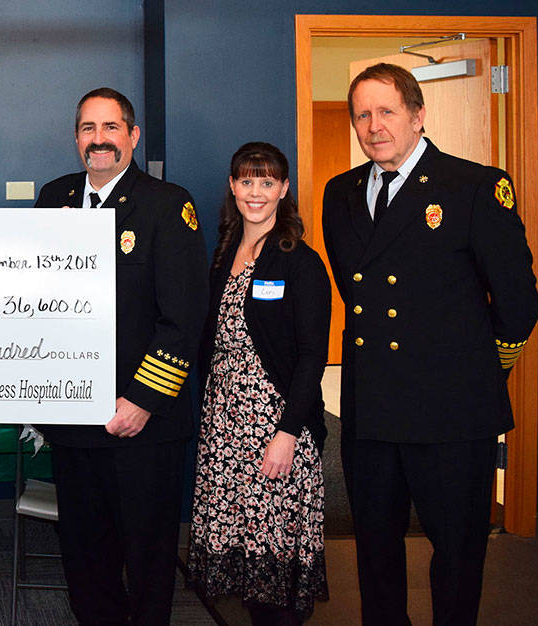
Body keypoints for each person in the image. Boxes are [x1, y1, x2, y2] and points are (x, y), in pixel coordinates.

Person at [321, 63, 538, 625]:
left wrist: (476, 372)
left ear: (419, 116)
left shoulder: (473, 187)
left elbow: (518, 304)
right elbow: (355, 288)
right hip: (370, 411)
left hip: (452, 410)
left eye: (387, 111)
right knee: (374, 553)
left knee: (458, 554)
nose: (374, 126)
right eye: (362, 115)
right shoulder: (340, 193)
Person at [34, 88, 207, 625]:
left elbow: (182, 320)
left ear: (132, 136)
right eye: (88, 128)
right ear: (76, 138)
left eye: (111, 127)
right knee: (85, 558)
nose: (99, 139)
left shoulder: (166, 203)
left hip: (142, 423)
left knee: (149, 556)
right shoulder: (53, 199)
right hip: (74, 419)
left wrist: (142, 399)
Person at [187, 142, 330, 624]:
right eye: (247, 181)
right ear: (232, 186)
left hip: (274, 428)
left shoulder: (299, 261)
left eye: (267, 182)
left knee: (273, 563)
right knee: (246, 565)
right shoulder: (225, 251)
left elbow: (313, 356)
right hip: (226, 425)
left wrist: (287, 434)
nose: (256, 192)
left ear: (284, 189)